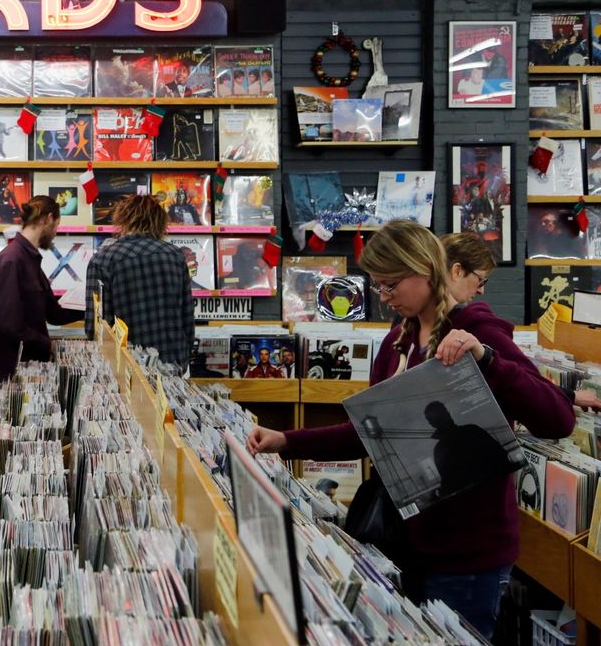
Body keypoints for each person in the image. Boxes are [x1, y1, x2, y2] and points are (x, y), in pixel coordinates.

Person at [247, 220, 575, 638]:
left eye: (391, 285)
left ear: (425, 269)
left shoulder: (478, 331)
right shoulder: (395, 343)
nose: (384, 298)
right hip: (405, 546)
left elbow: (558, 418)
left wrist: (488, 359)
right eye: (378, 287)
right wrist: (286, 441)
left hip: (468, 555)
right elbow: (370, 433)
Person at [442, 231, 601, 410]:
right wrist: (570, 396)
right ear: (457, 271)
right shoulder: (481, 328)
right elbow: (525, 383)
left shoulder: (424, 321)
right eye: (481, 280)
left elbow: (518, 378)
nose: (481, 291)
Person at [0, 196, 84, 381]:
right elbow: (7, 321)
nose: (56, 233)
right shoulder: (12, 259)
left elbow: (53, 313)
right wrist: (46, 344)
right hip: (7, 373)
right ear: (48, 219)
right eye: (57, 225)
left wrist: (91, 307)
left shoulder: (30, 259)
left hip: (28, 370)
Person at [83, 195, 194, 369]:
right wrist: (183, 358)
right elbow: (187, 316)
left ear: (123, 219)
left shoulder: (103, 260)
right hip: (172, 361)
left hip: (125, 367)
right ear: (159, 221)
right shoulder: (176, 256)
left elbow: (96, 328)